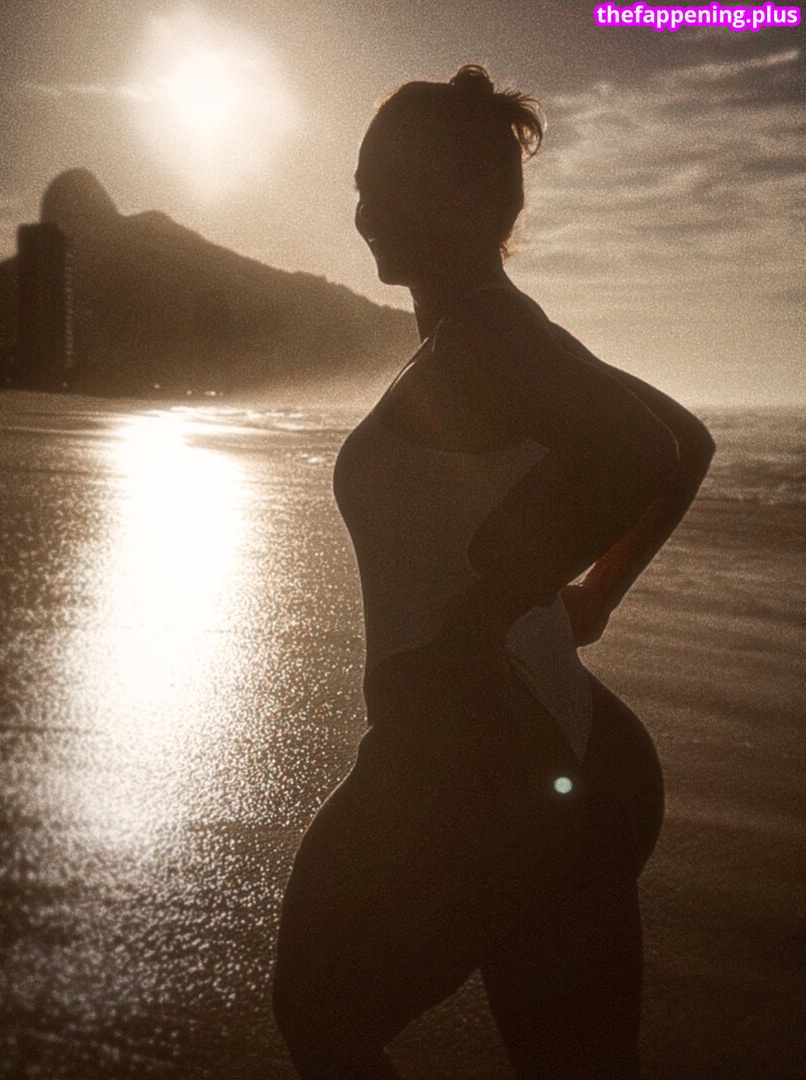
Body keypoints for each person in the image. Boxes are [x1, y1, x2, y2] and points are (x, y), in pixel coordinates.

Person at [272, 64, 716, 1079]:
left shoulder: (487, 336)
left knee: (321, 1016)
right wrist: (589, 596)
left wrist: (500, 604)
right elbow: (684, 442)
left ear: (478, 199)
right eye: (362, 184)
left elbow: (645, 451)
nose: (366, 211)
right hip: (545, 745)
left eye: (395, 183)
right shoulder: (492, 331)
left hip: (479, 761)